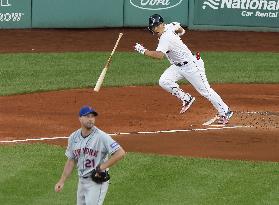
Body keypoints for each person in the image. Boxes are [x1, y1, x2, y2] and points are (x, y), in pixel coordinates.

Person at [134, 14, 233, 124]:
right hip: (177, 66)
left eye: (156, 26)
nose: (154, 28)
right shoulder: (170, 26)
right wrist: (179, 34)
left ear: (162, 24)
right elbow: (180, 29)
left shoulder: (165, 38)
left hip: (192, 66)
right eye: (153, 26)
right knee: (164, 81)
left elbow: (159, 55)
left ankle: (225, 111)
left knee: (205, 91)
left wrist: (143, 51)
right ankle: (186, 98)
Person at [55, 105, 125, 205]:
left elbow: (120, 153)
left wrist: (101, 167)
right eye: (87, 116)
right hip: (82, 181)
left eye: (92, 116)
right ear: (80, 118)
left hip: (96, 182)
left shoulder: (101, 136)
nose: (91, 119)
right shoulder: (73, 137)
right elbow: (71, 160)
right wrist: (62, 181)